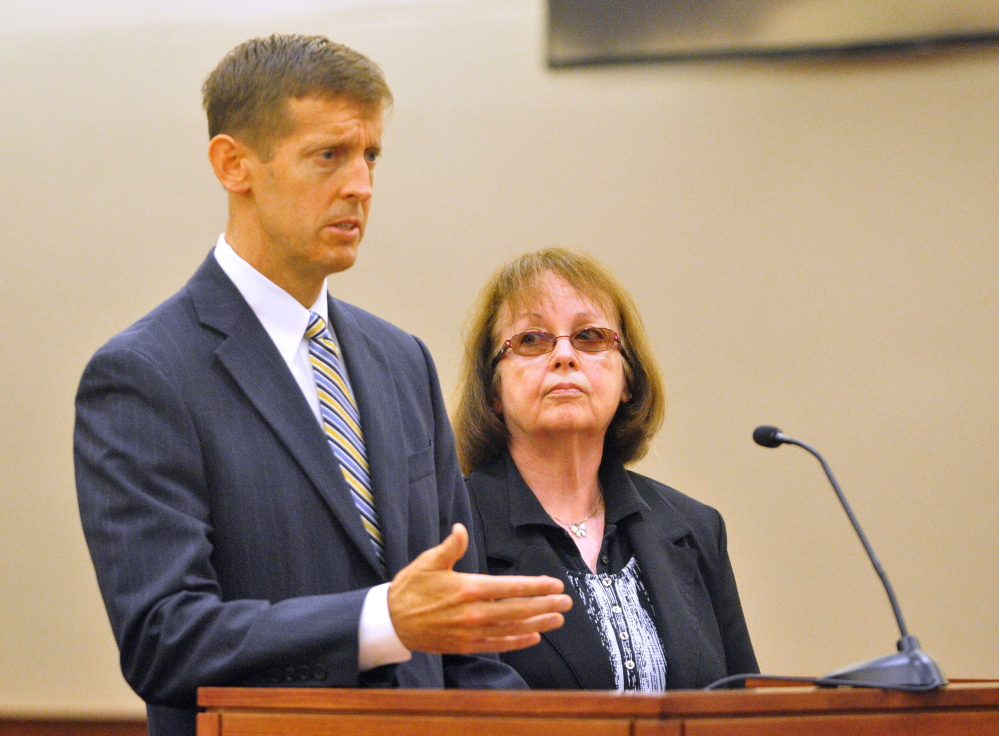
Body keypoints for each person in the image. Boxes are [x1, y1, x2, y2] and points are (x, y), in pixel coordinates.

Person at [74, 34, 570, 736]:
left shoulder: (402, 361)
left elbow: (460, 633)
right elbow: (165, 638)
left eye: (370, 156)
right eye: (328, 155)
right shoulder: (145, 374)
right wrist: (381, 620)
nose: (361, 185)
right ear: (233, 164)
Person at [454, 247, 758, 690]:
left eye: (590, 337)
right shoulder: (452, 527)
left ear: (627, 381)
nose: (564, 357)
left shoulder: (694, 528)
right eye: (532, 340)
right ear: (494, 390)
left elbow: (744, 710)